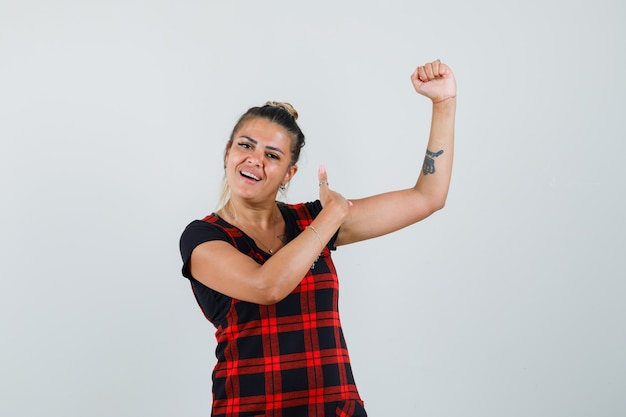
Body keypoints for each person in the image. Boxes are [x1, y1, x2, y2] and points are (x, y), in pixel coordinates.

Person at [179, 59, 456, 417]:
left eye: (272, 155)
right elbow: (268, 286)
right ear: (228, 152)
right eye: (245, 146)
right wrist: (333, 217)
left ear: (288, 173)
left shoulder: (313, 220)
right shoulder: (203, 237)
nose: (254, 160)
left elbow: (427, 198)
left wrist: (443, 104)